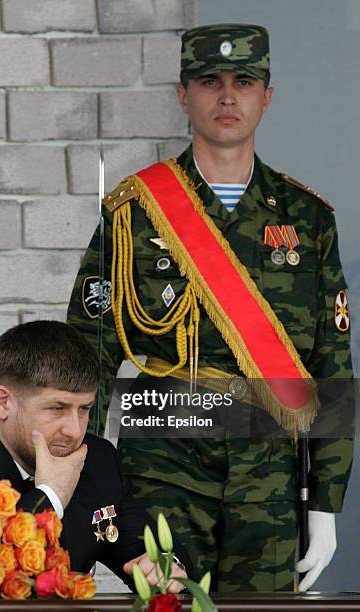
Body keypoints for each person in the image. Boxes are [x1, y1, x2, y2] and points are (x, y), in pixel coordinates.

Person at [67, 24, 353, 592]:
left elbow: (332, 365)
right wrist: (83, 487)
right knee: (166, 607)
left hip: (267, 478)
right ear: (183, 94)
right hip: (160, 469)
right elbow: (86, 358)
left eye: (244, 81)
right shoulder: (135, 213)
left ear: (266, 95)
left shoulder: (308, 219)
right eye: (208, 81)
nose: (227, 96)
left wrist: (324, 502)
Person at [0, 320, 190, 592]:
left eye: (84, 409)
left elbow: (146, 544)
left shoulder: (97, 459)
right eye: (57, 409)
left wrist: (164, 565)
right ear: (3, 402)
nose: (74, 430)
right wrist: (50, 497)